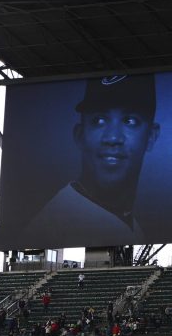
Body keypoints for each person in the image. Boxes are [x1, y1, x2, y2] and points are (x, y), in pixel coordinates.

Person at [20, 75, 161, 245]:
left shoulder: (130, 222)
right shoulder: (52, 225)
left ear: (151, 136)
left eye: (130, 121)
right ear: (80, 135)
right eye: (99, 120)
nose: (113, 137)